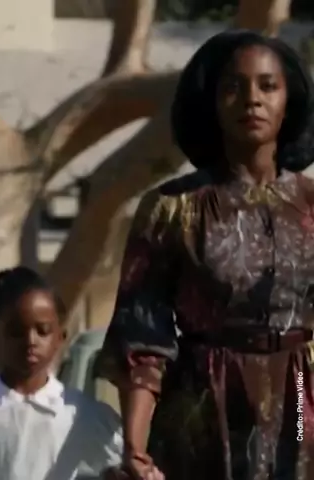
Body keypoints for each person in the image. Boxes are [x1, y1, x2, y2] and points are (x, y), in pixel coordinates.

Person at [99, 30, 314, 480]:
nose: (252, 99)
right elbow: (142, 337)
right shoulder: (171, 208)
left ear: (289, 101)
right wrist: (134, 449)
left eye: (267, 86)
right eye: (233, 87)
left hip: (300, 404)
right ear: (211, 103)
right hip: (205, 408)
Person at [0, 266, 123, 480]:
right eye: (16, 332)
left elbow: (115, 470)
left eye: (43, 331)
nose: (30, 341)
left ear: (60, 336)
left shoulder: (83, 415)